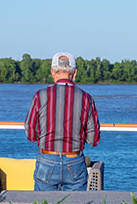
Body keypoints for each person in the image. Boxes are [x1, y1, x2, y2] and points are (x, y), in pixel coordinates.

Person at [24, 52, 101, 191]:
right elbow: (93, 139)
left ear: (53, 72)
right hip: (75, 161)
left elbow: (30, 133)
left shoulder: (40, 96)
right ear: (75, 73)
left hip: (47, 159)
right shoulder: (86, 98)